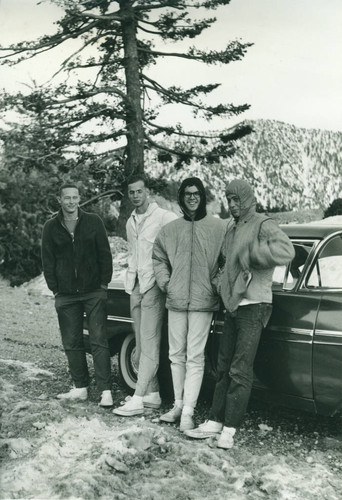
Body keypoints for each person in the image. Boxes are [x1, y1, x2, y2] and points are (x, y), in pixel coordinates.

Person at [185, 179, 295, 448]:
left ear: (247, 199)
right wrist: (219, 283)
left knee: (240, 370)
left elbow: (286, 250)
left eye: (237, 200)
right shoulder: (232, 227)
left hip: (255, 305)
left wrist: (254, 255)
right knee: (223, 367)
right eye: (229, 199)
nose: (232, 205)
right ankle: (215, 421)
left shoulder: (262, 223)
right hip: (233, 305)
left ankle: (230, 430)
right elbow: (226, 261)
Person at [152, 177, 226, 432]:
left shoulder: (219, 228)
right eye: (187, 194)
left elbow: (227, 260)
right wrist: (166, 283)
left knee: (195, 356)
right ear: (181, 198)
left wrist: (216, 283)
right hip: (176, 300)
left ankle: (188, 412)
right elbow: (159, 256)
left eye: (196, 193)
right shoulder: (171, 230)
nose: (192, 197)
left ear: (203, 196)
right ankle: (178, 404)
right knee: (175, 355)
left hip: (203, 302)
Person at [41, 183, 113, 406]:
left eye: (74, 197)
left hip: (93, 292)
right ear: (60, 200)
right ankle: (80, 387)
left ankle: (105, 391)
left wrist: (103, 284)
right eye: (67, 198)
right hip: (66, 294)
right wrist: (56, 288)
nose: (71, 202)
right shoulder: (51, 227)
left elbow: (105, 254)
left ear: (80, 199)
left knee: (99, 341)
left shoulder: (93, 222)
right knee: (71, 341)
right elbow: (48, 260)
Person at [113, 174, 177, 417]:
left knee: (150, 343)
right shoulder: (131, 222)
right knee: (140, 343)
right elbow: (133, 253)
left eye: (139, 191)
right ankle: (152, 393)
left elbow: (180, 236)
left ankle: (138, 398)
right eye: (131, 192)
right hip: (135, 284)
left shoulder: (163, 216)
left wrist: (168, 275)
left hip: (154, 285)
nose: (136, 196)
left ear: (147, 192)